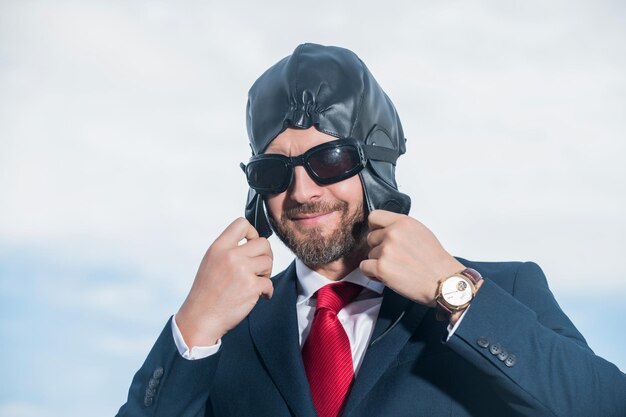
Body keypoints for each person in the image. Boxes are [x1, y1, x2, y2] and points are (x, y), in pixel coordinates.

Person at [117, 43, 626, 417]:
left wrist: (455, 296)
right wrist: (193, 329)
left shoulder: (501, 290)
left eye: (329, 159)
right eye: (274, 171)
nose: (301, 192)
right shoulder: (225, 333)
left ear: (374, 162)